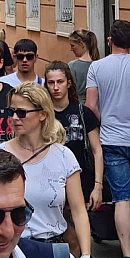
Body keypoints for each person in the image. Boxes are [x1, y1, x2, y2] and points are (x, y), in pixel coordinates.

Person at [0, 83, 92, 258]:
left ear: (42, 114)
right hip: (13, 250)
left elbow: (79, 210)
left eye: (22, 112)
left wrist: (86, 256)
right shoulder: (0, 155)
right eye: (11, 112)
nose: (15, 118)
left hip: (52, 249)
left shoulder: (63, 155)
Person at [85, 19, 130, 258]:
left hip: (111, 139)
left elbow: (90, 106)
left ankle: (126, 254)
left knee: (123, 198)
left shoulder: (97, 67)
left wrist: (106, 120)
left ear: (110, 41)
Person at [44, 61, 103, 210]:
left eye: (60, 82)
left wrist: (98, 186)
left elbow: (97, 150)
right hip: (50, 181)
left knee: (77, 226)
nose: (56, 87)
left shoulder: (84, 113)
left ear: (68, 83)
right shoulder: (42, 115)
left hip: (80, 179)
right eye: (51, 83)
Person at [69, 28, 100, 104]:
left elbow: (71, 91)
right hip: (97, 104)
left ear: (81, 44)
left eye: (72, 46)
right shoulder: (99, 65)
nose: (71, 49)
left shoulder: (72, 66)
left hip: (79, 105)